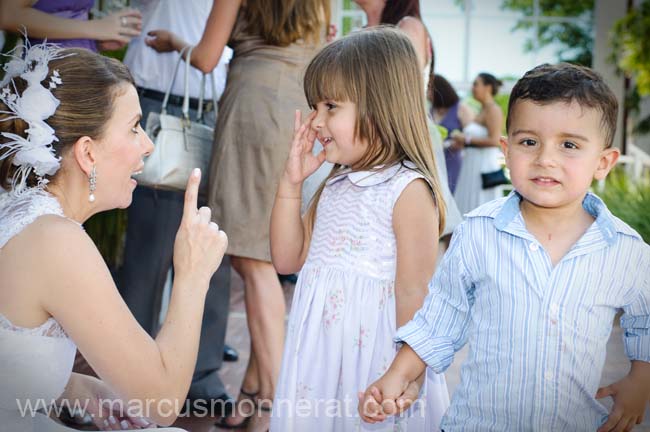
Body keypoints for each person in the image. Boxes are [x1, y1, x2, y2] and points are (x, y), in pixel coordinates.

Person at [359, 63, 650, 431]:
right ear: (506, 150)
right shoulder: (478, 234)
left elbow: (646, 322)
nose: (546, 158)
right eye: (529, 142)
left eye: (569, 145)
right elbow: (439, 321)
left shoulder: (625, 250)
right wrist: (397, 376)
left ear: (603, 162)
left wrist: (641, 380)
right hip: (479, 423)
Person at [0, 43, 228, 431]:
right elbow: (162, 403)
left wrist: (73, 387)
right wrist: (191, 274)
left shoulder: (15, 209)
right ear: (87, 153)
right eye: (134, 127)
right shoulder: (57, 243)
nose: (148, 144)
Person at [145, 1, 330, 429]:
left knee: (253, 262)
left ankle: (280, 406)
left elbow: (207, 58)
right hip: (302, 108)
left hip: (254, 105)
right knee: (273, 255)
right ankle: (255, 396)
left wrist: (175, 42)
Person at [269, 27, 450, 431]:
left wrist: (408, 376)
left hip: (376, 361)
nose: (316, 121)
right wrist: (290, 184)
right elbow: (285, 258)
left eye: (330, 106)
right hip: (319, 360)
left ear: (380, 107)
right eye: (314, 107)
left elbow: (414, 292)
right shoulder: (333, 184)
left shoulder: (407, 190)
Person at [117, 0, 236, 414]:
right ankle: (128, 373)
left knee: (213, 244)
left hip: (216, 107)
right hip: (155, 104)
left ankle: (203, 373)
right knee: (149, 249)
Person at [355, 0, 462, 239]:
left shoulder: (408, 26)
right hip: (359, 136)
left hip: (396, 137)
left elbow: (401, 90)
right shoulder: (360, 31)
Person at [451, 72, 505, 214]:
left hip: (483, 167)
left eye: (476, 84)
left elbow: (495, 141)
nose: (472, 88)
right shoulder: (482, 109)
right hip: (471, 164)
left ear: (487, 87)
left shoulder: (494, 110)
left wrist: (466, 139)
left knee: (480, 203)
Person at [0, 0, 142, 52]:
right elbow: (8, 15)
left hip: (83, 70)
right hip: (49, 74)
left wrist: (97, 42)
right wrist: (96, 28)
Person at [429, 74, 475, 193]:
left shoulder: (461, 108)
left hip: (454, 161)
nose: (426, 94)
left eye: (429, 90)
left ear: (439, 91)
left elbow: (472, 135)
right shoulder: (430, 110)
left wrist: (460, 141)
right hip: (434, 161)